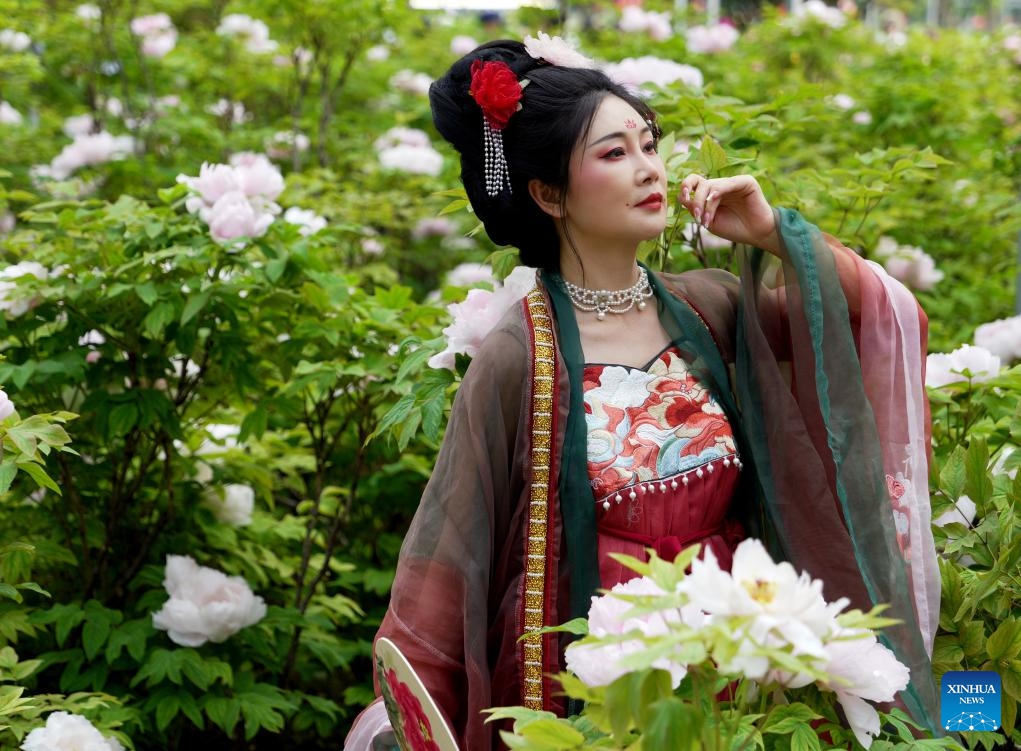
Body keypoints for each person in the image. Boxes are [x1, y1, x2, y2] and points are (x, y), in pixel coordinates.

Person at [345, 37, 940, 750]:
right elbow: (452, 553)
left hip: (741, 658)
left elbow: (871, 320)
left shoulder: (708, 308)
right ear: (547, 193)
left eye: (648, 143)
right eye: (613, 153)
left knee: (953, 717)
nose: (648, 168)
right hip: (599, 677)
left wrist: (771, 233)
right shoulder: (516, 357)